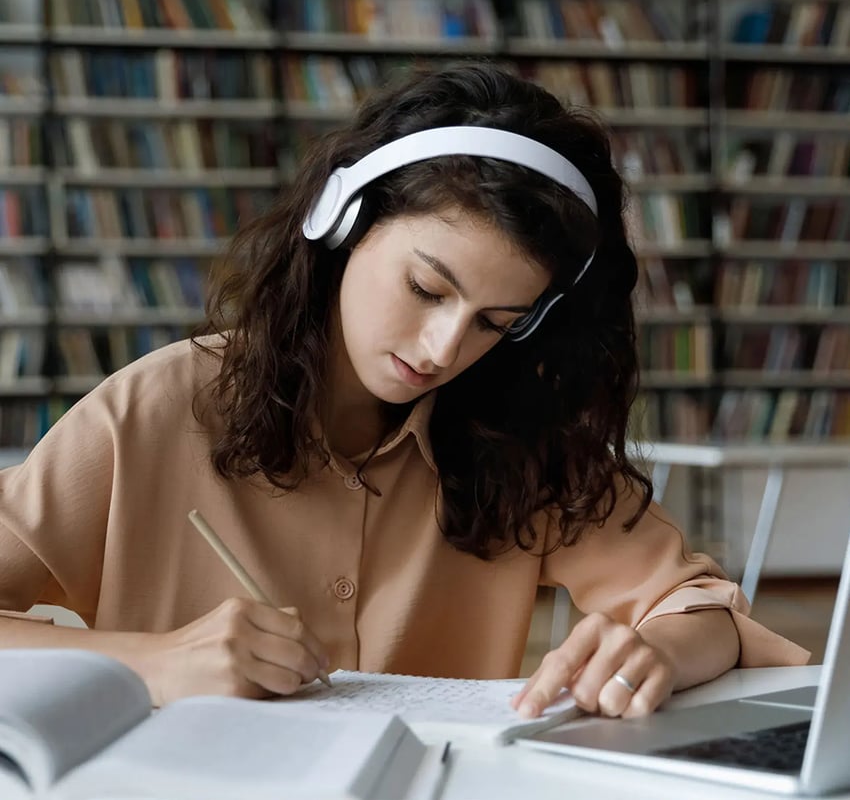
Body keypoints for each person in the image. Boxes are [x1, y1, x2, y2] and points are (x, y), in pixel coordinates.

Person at [0, 62, 807, 718]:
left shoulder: (516, 433)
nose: (444, 348)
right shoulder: (153, 409)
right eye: (426, 289)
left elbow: (701, 608)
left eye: (496, 321)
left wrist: (660, 649)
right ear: (341, 225)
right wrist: (150, 660)